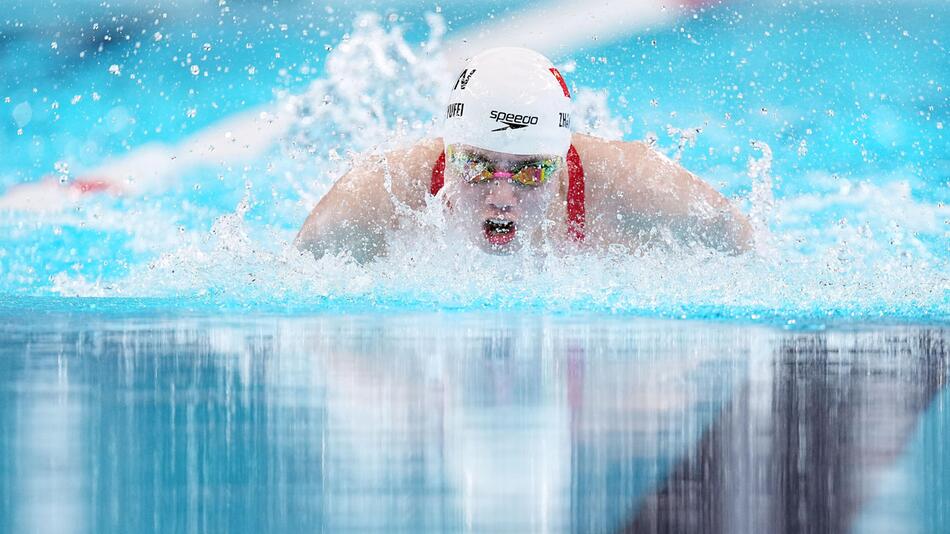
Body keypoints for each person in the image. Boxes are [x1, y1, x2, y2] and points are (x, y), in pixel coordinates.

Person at [295, 47, 753, 262]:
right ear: (449, 153)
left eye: (531, 172)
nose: (501, 195)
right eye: (475, 166)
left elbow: (746, 251)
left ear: (560, 164)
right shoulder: (374, 198)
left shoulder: (636, 184)